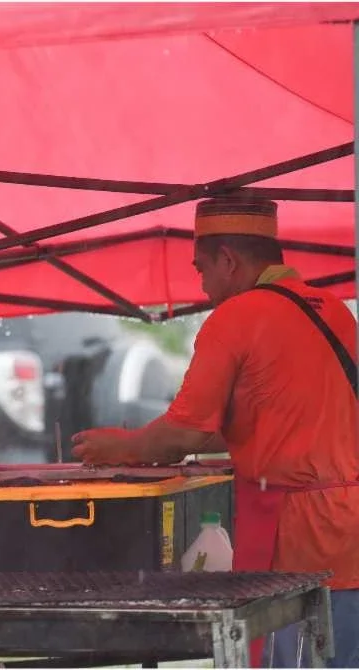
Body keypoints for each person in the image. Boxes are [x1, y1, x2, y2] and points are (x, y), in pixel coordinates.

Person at [72, 197, 359, 668]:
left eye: (202, 269)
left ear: (228, 260)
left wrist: (124, 446)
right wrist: (153, 444)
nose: (203, 288)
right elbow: (283, 423)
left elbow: (185, 430)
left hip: (305, 545)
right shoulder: (334, 310)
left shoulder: (238, 316)